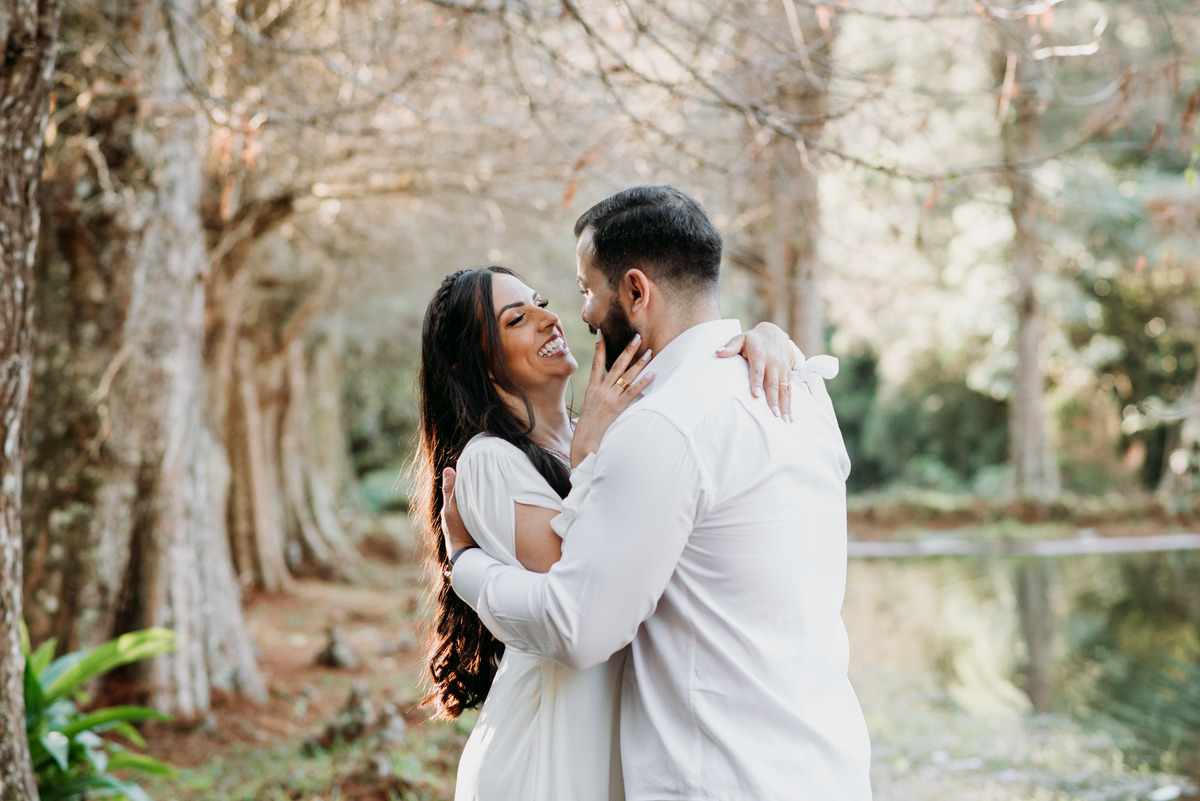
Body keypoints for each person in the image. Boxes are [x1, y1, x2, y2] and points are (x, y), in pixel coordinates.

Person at [442, 185, 873, 801]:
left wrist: (465, 566)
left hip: (719, 776)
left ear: (636, 292)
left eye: (587, 290)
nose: (579, 315)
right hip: (826, 765)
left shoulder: (661, 427)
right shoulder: (801, 391)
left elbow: (577, 624)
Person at [414, 265, 797, 801]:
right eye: (517, 319)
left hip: (619, 736)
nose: (550, 319)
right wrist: (587, 456)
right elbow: (577, 599)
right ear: (472, 361)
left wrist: (764, 339)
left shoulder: (609, 428)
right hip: (546, 752)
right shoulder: (487, 462)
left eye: (542, 302)